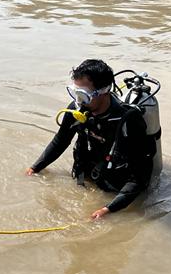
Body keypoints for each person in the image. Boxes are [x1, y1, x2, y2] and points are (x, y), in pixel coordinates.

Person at [25, 59, 155, 220]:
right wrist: (35, 168)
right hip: (88, 172)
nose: (79, 101)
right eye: (75, 93)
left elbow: (141, 175)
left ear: (104, 91)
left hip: (116, 184)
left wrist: (109, 209)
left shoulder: (128, 121)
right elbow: (61, 139)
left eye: (83, 95)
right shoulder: (77, 109)